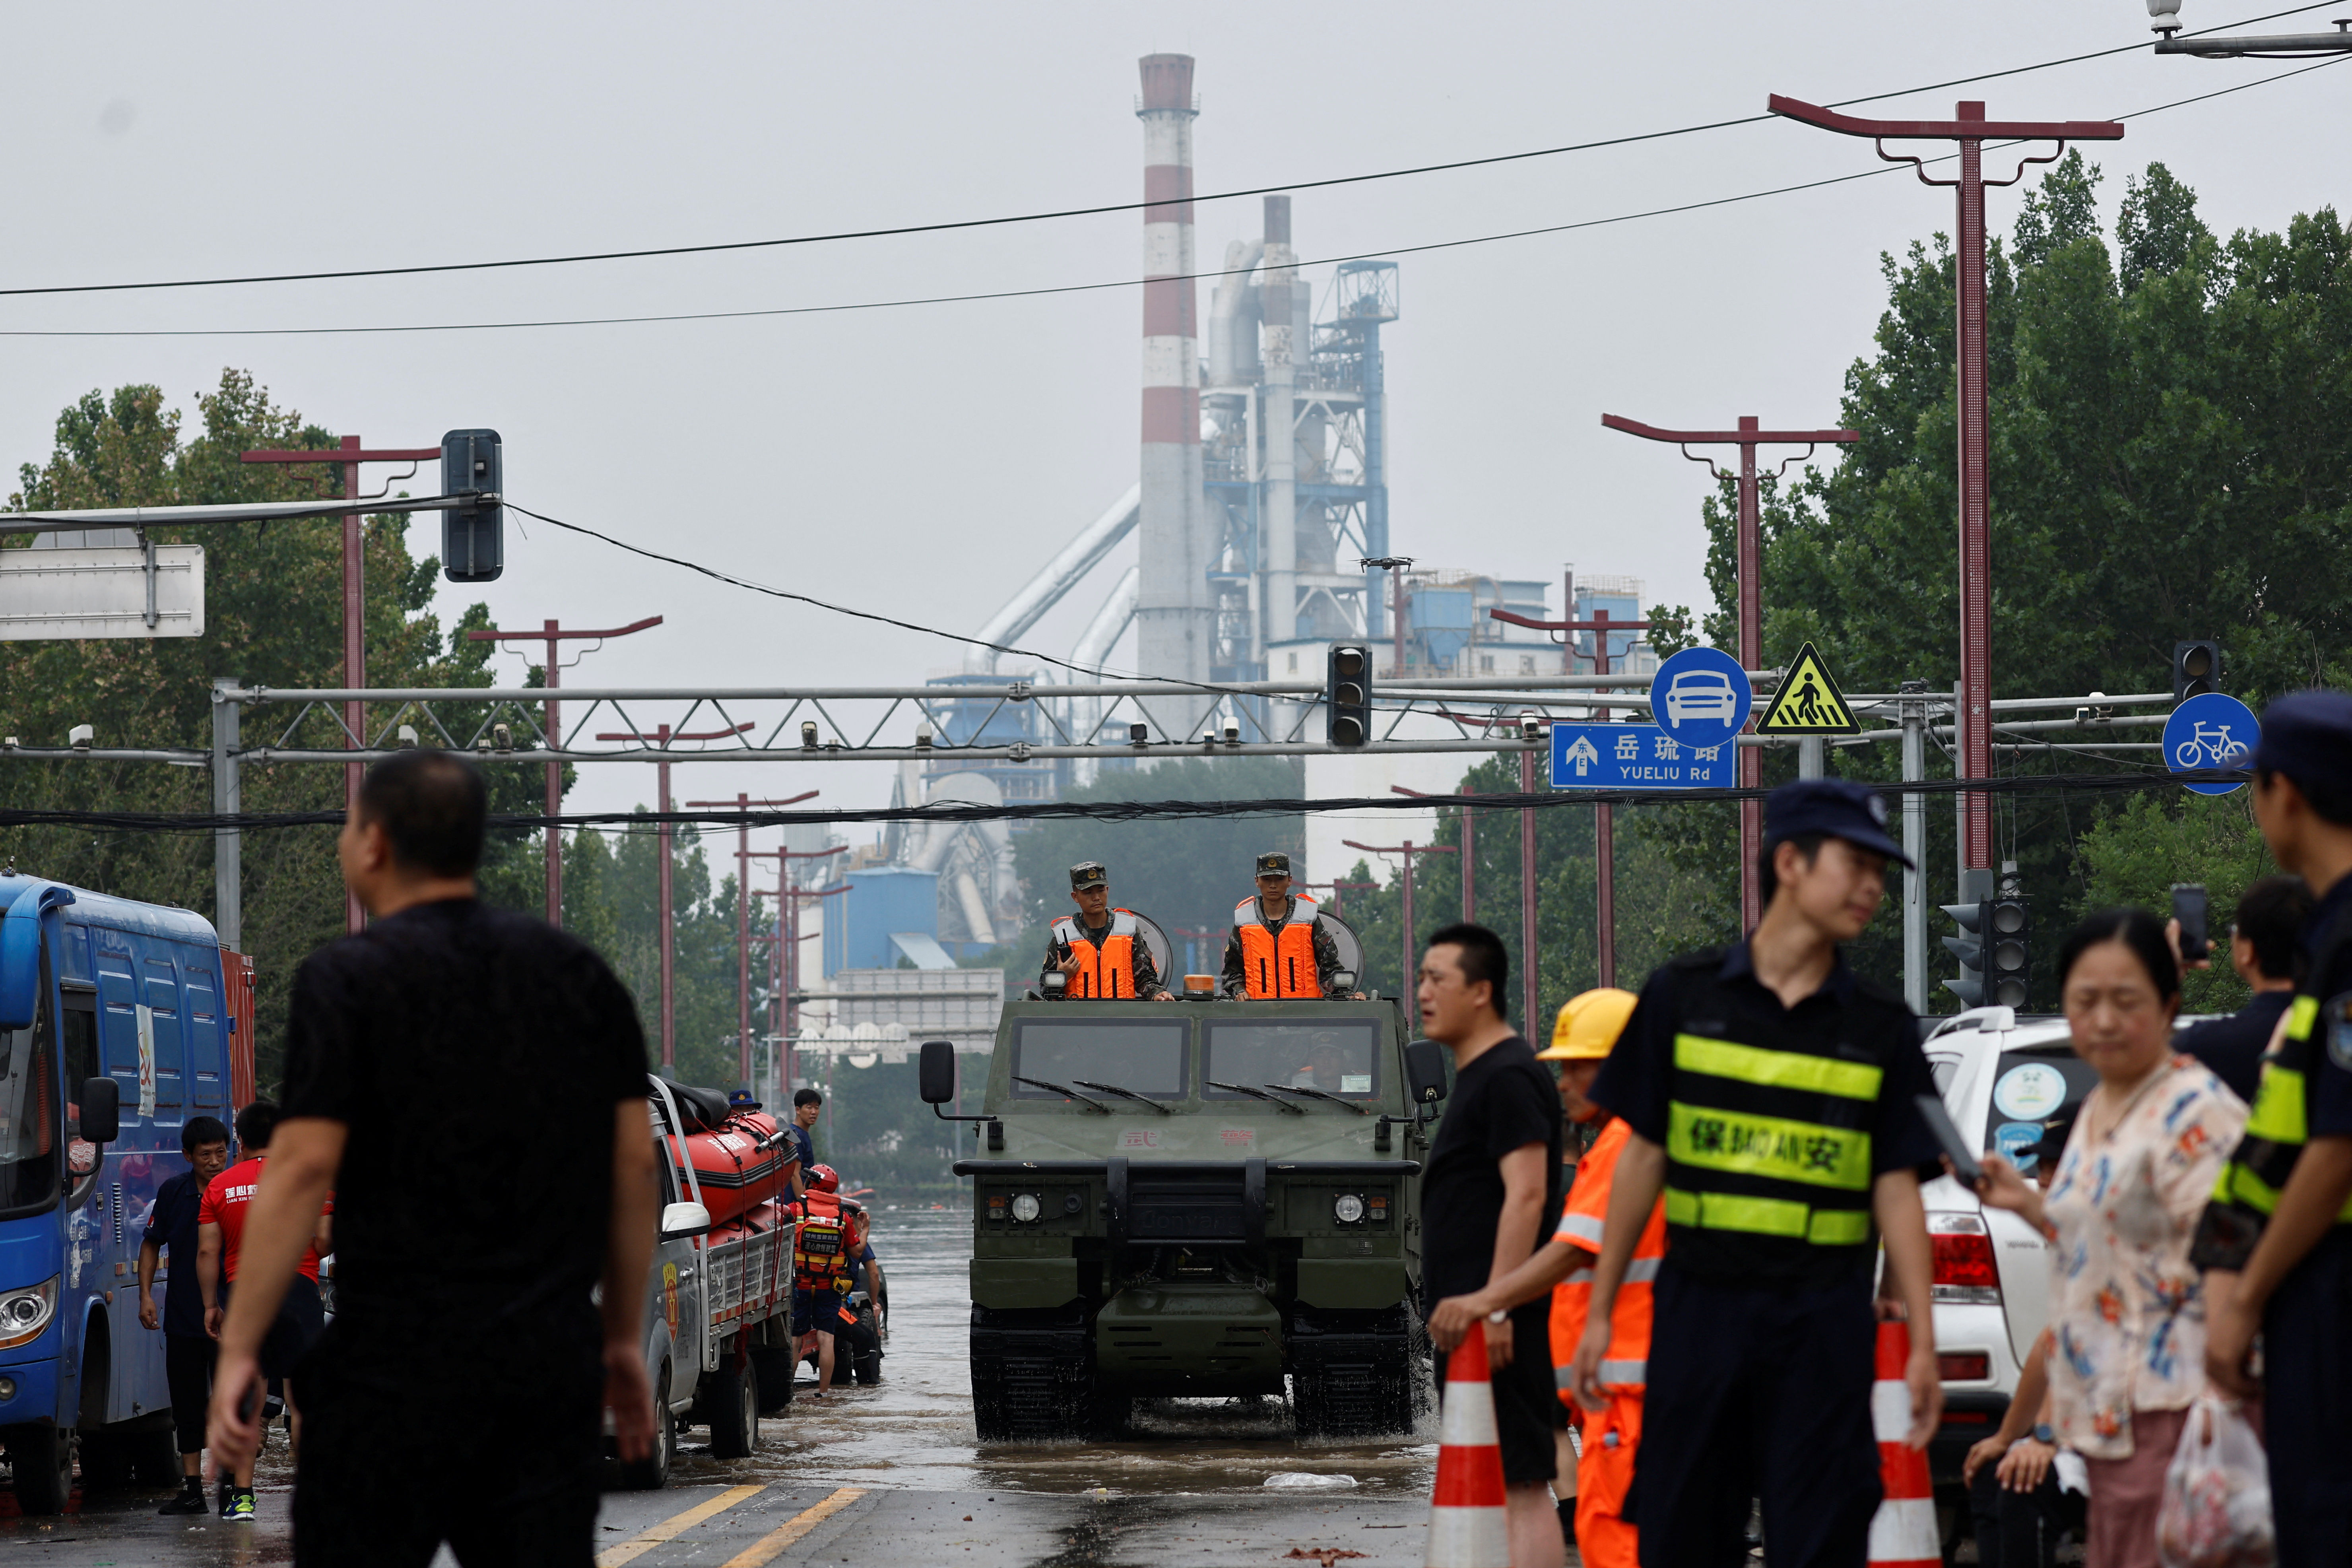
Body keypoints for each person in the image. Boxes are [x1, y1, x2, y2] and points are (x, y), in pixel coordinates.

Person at [206, 748, 657, 1567]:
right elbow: (634, 1168)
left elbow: (303, 1170)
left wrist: (240, 1350)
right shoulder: (580, 977)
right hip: (541, 1374)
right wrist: (620, 1338)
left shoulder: (347, 979)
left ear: (373, 842)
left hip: (390, 1375)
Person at [1569, 778, 1945, 1568]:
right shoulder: (1684, 996)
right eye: (1856, 863)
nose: (1874, 886)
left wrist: (1922, 1340)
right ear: (1790, 863)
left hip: (1824, 1328)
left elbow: (1897, 1187)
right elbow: (1643, 1154)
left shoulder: (1881, 1028)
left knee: (1819, 1540)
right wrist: (1600, 1309)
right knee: (1684, 1534)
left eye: (1883, 869)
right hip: (1701, 1316)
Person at [1968, 909, 2244, 1568]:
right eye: (2085, 999)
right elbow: (2117, 1239)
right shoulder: (2102, 1105)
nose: (2104, 1018)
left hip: (2177, 1413)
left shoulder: (2193, 1111)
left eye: (2128, 1000)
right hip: (2106, 1416)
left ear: (2169, 1004)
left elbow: (2229, 1257)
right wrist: (2025, 1204)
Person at [2196, 691, 2352, 1568]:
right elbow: (2277, 1140)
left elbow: (2337, 1142)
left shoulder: (2348, 941)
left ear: (2283, 794)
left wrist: (2244, 1296)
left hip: (2329, 1288)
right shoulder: (2329, 937)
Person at [1432, 987, 1649, 1566]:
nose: (1563, 1084)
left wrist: (1485, 1302)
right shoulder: (1641, 1140)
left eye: (1577, 1067)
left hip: (1632, 1392)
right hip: (1620, 1387)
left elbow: (1571, 1250)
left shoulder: (1626, 1145)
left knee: (1621, 1534)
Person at [1415, 922, 1565, 1568]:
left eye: (1437, 979)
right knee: (1499, 1480)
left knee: (1523, 1481)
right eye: (1422, 976)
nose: (1423, 991)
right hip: (1475, 1318)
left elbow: (1528, 1194)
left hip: (1498, 1318)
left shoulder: (1507, 1073)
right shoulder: (1478, 1074)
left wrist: (1497, 1304)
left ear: (1481, 991)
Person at [197, 1100, 332, 1523]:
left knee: (250, 1398)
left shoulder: (220, 1185)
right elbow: (326, 1243)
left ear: (239, 1140)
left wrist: (211, 1304)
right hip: (299, 1289)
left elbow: (207, 1250)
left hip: (246, 1294)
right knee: (301, 1398)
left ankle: (241, 1497)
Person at [1960, 1114, 2086, 1568]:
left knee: (2023, 1485)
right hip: (2087, 1426)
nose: (2046, 1178)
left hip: (2136, 1428)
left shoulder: (2113, 1230)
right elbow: (2050, 1344)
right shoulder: (2071, 1240)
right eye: (2043, 1165)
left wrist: (2047, 1437)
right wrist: (2007, 1436)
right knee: (1991, 1472)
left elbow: (2081, 1342)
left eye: (2059, 1163)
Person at [135, 1114, 231, 1516]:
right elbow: (151, 1244)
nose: (214, 1161)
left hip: (232, 1320)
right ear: (187, 1155)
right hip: (183, 1319)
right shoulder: (173, 1192)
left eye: (221, 1152)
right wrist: (145, 1295)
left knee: (230, 1403)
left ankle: (233, 1485)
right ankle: (193, 1489)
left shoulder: (238, 1190)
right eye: (205, 1154)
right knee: (187, 1405)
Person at [2172, 873, 2311, 1102]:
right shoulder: (2337, 1035)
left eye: (2235, 930)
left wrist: (2165, 978)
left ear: (2248, 951)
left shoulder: (2199, 1047)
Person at [1220, 852, 1359, 999]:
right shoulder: (1244, 922)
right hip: (1258, 1013)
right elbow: (1232, 973)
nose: (1273, 885)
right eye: (1267, 879)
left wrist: (1347, 995)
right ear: (1257, 881)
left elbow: (1330, 968)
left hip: (1305, 1013)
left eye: (1280, 879)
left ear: (1290, 880)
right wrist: (1239, 991)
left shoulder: (1307, 918)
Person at [1043, 860, 1174, 999]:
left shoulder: (1128, 932)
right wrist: (1062, 976)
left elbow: (1145, 978)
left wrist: (1157, 994)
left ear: (1107, 890)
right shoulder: (1063, 937)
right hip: (1078, 1019)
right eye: (1088, 893)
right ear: (1075, 897)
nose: (1096, 898)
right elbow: (1045, 990)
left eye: (1101, 890)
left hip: (1121, 1018)